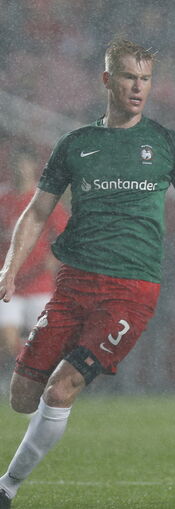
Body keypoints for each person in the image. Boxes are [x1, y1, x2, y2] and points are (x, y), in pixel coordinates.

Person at [0, 38, 175, 508]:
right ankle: (40, 429)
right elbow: (37, 212)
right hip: (74, 284)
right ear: (107, 80)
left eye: (145, 79)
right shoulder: (75, 145)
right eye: (129, 77)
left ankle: (6, 487)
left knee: (62, 388)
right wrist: (9, 269)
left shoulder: (166, 143)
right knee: (22, 396)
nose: (138, 88)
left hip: (132, 290)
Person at [0, 150, 68, 383]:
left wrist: (53, 257)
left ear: (33, 169)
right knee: (7, 339)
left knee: (41, 340)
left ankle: (30, 379)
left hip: (39, 282)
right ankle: (24, 376)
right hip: (9, 283)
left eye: (25, 165)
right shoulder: (3, 199)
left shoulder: (43, 201)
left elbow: (63, 234)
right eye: (17, 165)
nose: (21, 170)